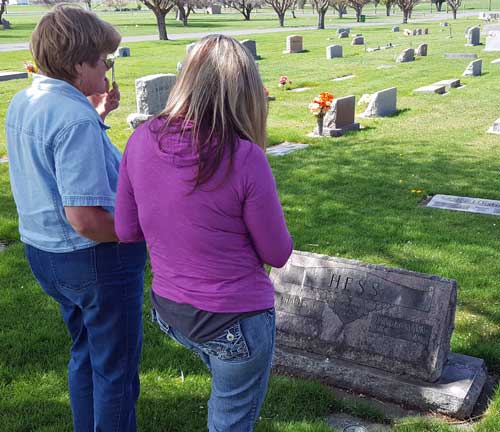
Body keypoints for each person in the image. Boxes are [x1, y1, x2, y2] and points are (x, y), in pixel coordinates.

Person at [115, 35, 293, 431]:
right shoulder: (246, 157)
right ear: (246, 93)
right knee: (229, 421)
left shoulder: (140, 139)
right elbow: (278, 252)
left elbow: (126, 230)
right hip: (234, 321)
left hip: (172, 311)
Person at [5, 5, 147, 432]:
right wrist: (145, 232)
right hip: (94, 259)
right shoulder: (73, 119)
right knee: (116, 371)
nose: (107, 66)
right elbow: (85, 218)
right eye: (103, 58)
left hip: (45, 253)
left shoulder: (27, 99)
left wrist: (98, 113)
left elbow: (52, 165)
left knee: (86, 353)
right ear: (78, 62)